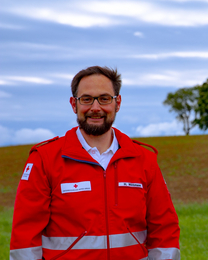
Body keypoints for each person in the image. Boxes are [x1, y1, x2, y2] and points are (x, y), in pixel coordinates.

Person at [10, 66, 180, 260]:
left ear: (118, 103)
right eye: (87, 99)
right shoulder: (44, 159)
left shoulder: (144, 159)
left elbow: (164, 230)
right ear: (74, 104)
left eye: (105, 98)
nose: (96, 108)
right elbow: (25, 236)